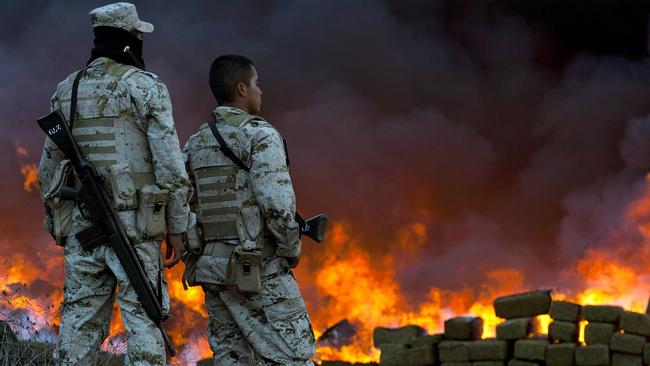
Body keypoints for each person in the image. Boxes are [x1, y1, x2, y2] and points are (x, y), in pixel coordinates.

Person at [37, 3, 189, 365]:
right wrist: (180, 227)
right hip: (135, 226)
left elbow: (49, 170)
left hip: (84, 226)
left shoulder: (68, 88)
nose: (141, 40)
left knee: (79, 326)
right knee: (144, 322)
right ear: (129, 38)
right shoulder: (146, 87)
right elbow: (171, 168)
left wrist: (57, 220)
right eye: (139, 35)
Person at [182, 55, 316, 365]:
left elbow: (183, 203)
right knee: (294, 355)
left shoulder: (196, 143)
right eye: (257, 84)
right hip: (258, 268)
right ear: (242, 88)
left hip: (213, 269)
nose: (260, 91)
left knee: (231, 357)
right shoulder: (260, 135)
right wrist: (290, 248)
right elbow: (278, 207)